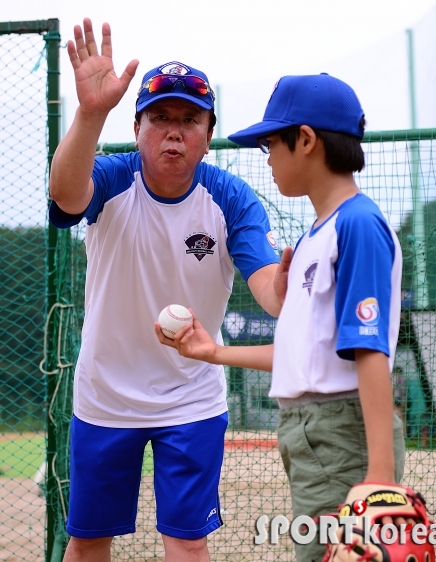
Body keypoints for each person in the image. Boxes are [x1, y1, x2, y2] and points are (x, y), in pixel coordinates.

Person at [48, 18, 284, 562]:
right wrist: (88, 114)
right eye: (159, 118)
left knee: (186, 539)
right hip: (106, 397)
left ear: (208, 131)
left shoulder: (231, 199)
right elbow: (64, 194)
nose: (173, 131)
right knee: (87, 539)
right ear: (136, 129)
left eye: (188, 119)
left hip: (191, 399)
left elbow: (269, 288)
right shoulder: (110, 179)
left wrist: (291, 289)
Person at [156, 73, 406, 562]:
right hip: (313, 430)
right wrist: (212, 352)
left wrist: (379, 477)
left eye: (272, 143)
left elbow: (370, 350)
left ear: (307, 140)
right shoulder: (316, 234)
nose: (267, 157)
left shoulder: (357, 224)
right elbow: (301, 353)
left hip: (342, 431)